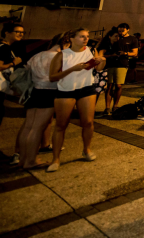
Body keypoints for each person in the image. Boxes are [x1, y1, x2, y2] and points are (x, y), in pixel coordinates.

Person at [47, 28, 107, 172]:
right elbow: (52, 77)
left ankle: (86, 149)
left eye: (87, 36)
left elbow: (99, 70)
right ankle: (55, 159)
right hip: (66, 90)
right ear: (71, 39)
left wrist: (102, 61)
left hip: (86, 89)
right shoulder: (62, 55)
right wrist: (72, 69)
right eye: (82, 37)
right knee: (61, 125)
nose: (86, 39)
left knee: (88, 122)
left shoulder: (91, 51)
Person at [17, 34, 70, 169]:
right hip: (48, 92)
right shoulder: (58, 57)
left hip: (34, 91)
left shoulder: (38, 55)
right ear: (65, 43)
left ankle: (23, 159)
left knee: (28, 126)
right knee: (38, 128)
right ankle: (31, 160)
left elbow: (27, 69)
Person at [101, 23, 138, 116]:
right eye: (119, 31)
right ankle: (107, 107)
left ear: (128, 29)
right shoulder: (115, 38)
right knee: (109, 85)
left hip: (122, 63)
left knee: (118, 85)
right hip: (110, 63)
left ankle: (115, 105)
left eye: (123, 30)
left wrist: (124, 53)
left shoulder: (132, 39)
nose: (121, 32)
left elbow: (134, 53)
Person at [0, 23, 23, 130]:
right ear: (7, 33)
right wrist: (13, 63)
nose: (21, 34)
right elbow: (0, 66)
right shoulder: (4, 48)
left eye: (22, 32)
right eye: (17, 32)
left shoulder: (4, 47)